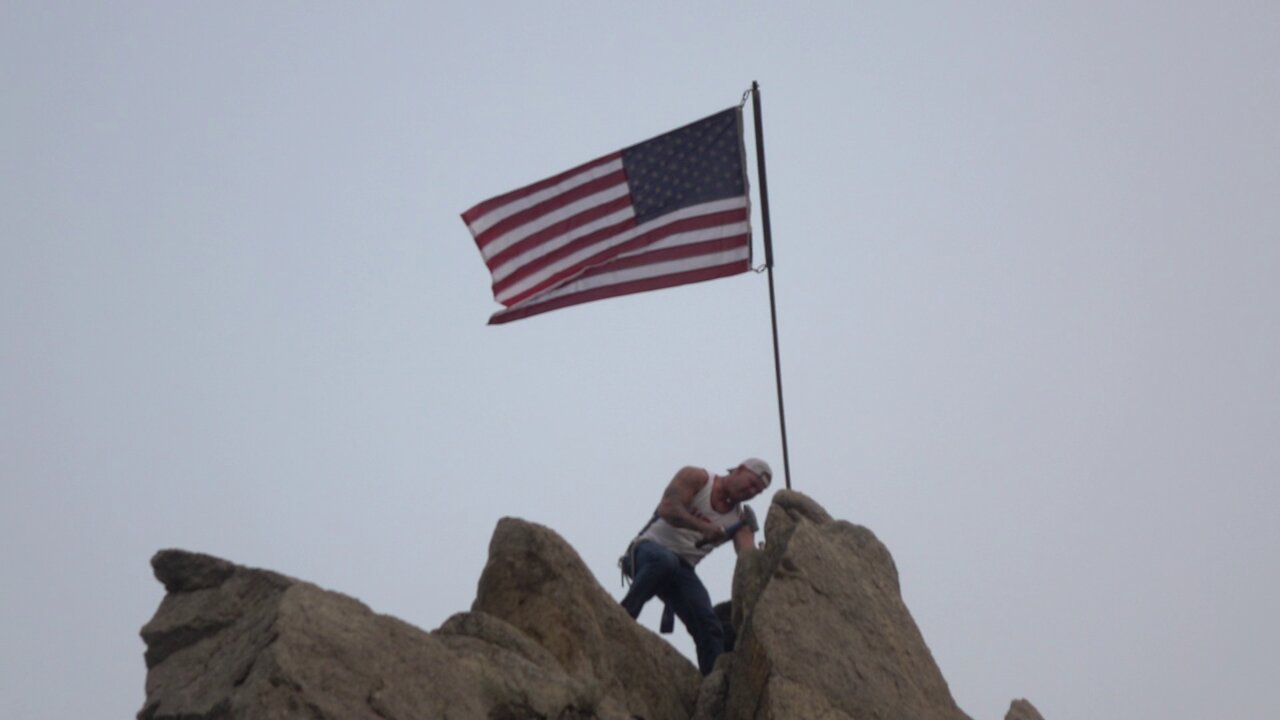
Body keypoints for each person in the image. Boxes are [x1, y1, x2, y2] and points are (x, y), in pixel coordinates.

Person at [620, 458, 772, 674]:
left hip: (682, 569)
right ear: (739, 470)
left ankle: (715, 683)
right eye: (750, 483)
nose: (751, 491)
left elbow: (747, 557)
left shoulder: (739, 520)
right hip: (648, 550)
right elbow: (668, 508)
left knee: (709, 625)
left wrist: (765, 558)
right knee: (665, 561)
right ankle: (624, 615)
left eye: (757, 491)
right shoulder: (698, 478)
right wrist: (703, 527)